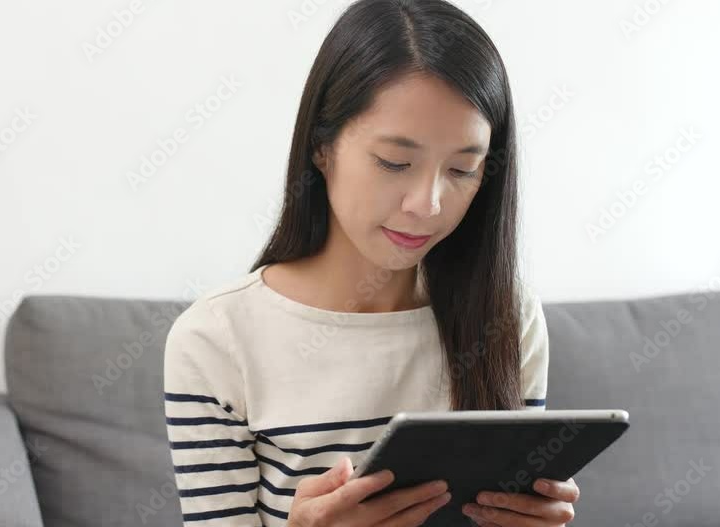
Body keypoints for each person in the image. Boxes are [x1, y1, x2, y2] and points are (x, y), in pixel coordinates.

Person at [163, 0, 579, 525]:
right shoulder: (215, 340)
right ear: (322, 146)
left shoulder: (508, 315)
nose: (427, 204)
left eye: (462, 169)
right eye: (394, 162)